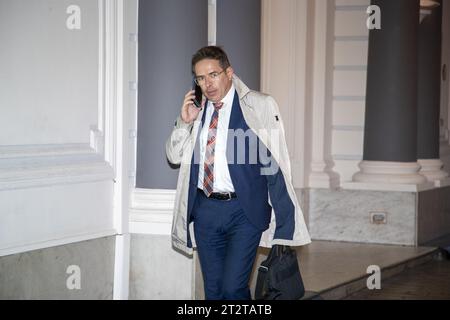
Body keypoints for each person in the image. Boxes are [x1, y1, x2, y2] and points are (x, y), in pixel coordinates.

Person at [166, 46, 311, 300]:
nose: (207, 84)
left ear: (229, 72)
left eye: (213, 75)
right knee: (214, 291)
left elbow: (276, 164)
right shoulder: (197, 112)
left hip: (245, 212)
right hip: (205, 211)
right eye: (200, 78)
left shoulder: (259, 105)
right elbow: (174, 156)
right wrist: (183, 123)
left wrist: (285, 220)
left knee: (233, 289)